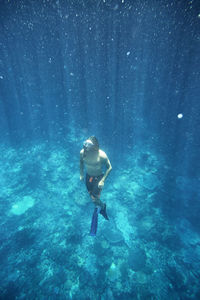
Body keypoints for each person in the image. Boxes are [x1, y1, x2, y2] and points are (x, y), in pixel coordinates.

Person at [80, 136, 112, 220]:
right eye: (85, 143)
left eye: (89, 144)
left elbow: (110, 167)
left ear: (94, 145)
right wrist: (81, 174)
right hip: (88, 177)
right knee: (93, 198)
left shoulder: (102, 155)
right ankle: (100, 207)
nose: (86, 146)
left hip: (98, 178)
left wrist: (103, 180)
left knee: (95, 199)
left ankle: (103, 207)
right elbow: (81, 163)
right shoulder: (83, 153)